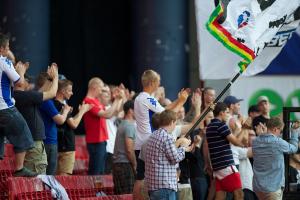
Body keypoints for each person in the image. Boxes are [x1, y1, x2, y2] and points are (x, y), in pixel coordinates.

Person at [133, 69, 189, 199]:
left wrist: (180, 100)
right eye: (158, 82)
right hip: (148, 142)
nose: (159, 84)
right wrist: (181, 101)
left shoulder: (141, 98)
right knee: (143, 178)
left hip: (144, 141)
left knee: (142, 177)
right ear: (152, 82)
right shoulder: (146, 98)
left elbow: (165, 110)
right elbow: (166, 116)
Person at [0, 33, 36, 177]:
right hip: (5, 108)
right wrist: (21, 72)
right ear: (2, 48)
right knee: (23, 133)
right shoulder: (4, 61)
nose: (9, 49)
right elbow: (19, 83)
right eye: (7, 47)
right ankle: (20, 169)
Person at [14, 63, 59, 174]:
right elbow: (52, 93)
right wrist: (56, 77)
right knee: (37, 181)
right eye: (24, 77)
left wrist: (49, 79)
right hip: (33, 143)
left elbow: (40, 93)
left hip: (32, 142)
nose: (27, 82)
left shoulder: (20, 96)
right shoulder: (21, 95)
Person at [144, 110, 191, 200]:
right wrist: (183, 147)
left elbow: (166, 156)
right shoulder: (167, 137)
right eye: (175, 123)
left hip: (153, 186)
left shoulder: (152, 136)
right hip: (165, 186)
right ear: (172, 122)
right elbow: (175, 158)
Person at [83, 77, 123, 175]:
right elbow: (107, 114)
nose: (101, 92)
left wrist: (118, 100)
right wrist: (117, 99)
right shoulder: (88, 101)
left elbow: (113, 112)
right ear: (94, 87)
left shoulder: (96, 101)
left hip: (101, 140)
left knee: (101, 172)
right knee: (96, 172)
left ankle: (98, 190)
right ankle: (94, 191)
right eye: (101, 89)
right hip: (95, 141)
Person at [205, 102, 245, 200]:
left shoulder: (210, 127)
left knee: (220, 196)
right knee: (239, 194)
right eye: (227, 112)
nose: (228, 115)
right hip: (226, 166)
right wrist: (244, 142)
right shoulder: (221, 126)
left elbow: (226, 142)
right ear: (221, 113)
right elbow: (235, 142)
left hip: (217, 168)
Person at [252, 117, 299, 199]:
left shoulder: (256, 141)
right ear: (275, 129)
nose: (280, 134)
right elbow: (294, 148)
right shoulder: (278, 142)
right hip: (272, 188)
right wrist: (294, 132)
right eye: (280, 131)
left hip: (258, 187)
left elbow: (263, 139)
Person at [54, 79, 92, 175]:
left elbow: (70, 122)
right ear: (62, 91)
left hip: (61, 145)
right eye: (69, 90)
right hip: (65, 147)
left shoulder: (58, 104)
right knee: (64, 178)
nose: (72, 93)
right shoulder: (61, 106)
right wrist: (83, 111)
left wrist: (80, 112)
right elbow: (74, 124)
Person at [37, 72, 72, 175]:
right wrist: (65, 111)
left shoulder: (47, 100)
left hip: (50, 140)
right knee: (48, 175)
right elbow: (60, 120)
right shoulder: (46, 101)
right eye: (54, 84)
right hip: (48, 142)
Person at [112, 100, 136, 194]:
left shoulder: (122, 124)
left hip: (119, 164)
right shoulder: (129, 126)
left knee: (120, 195)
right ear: (131, 111)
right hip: (125, 165)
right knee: (128, 195)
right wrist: (135, 165)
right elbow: (129, 149)